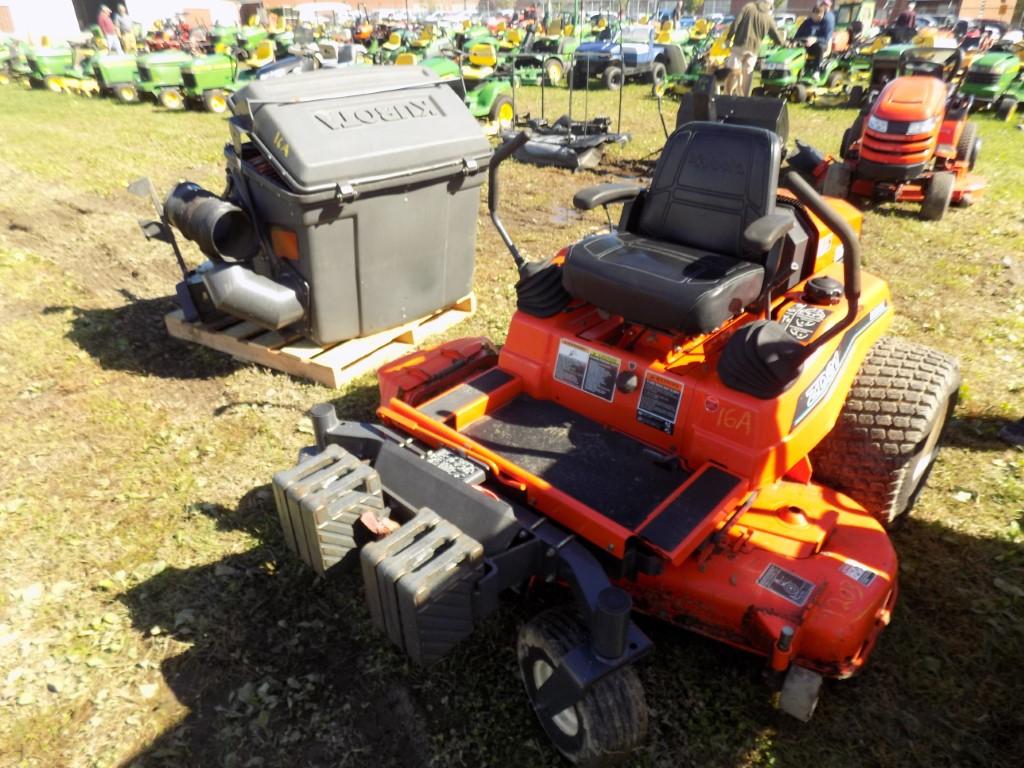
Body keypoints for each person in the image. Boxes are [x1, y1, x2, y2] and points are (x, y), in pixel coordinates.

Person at [725, 0, 784, 96]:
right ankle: (744, 97)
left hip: (739, 45)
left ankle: (728, 95)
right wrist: (783, 42)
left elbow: (736, 22)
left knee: (733, 72)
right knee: (747, 74)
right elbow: (777, 37)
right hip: (753, 50)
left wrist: (728, 38)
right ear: (770, 5)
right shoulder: (768, 17)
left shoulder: (748, 7)